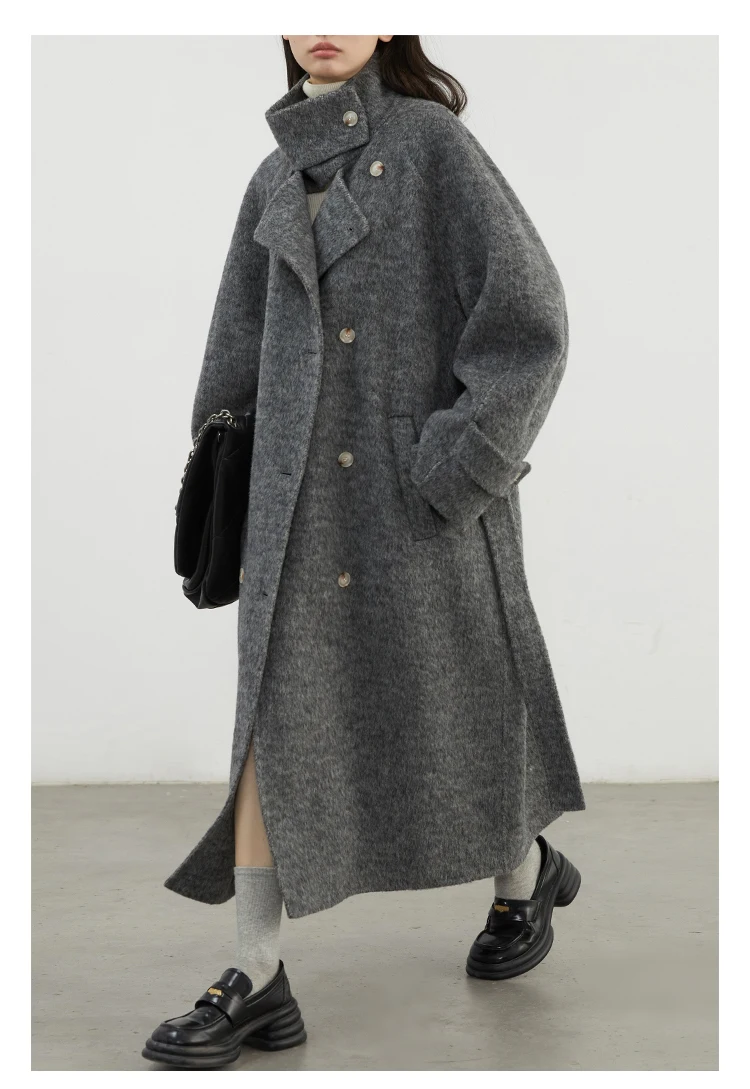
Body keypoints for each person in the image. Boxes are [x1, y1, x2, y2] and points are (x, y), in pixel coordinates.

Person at [142, 35, 586, 1070]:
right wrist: (222, 476)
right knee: (270, 726)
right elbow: (236, 347)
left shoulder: (433, 148)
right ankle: (256, 972)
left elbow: (530, 320)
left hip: (418, 502)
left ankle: (525, 872)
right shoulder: (274, 175)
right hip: (297, 511)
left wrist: (458, 464)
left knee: (462, 704)